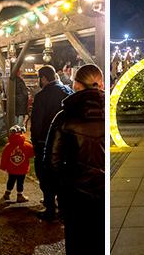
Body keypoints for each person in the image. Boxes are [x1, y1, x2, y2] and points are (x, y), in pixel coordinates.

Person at [45, 64, 105, 255]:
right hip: (104, 192)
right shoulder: (110, 112)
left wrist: (58, 192)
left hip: (75, 194)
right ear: (101, 83)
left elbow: (52, 160)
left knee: (77, 242)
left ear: (77, 85)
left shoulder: (64, 116)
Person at [31, 65, 72, 221]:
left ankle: (50, 209)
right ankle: (62, 209)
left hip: (46, 142)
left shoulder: (41, 96)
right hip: (66, 142)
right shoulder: (68, 92)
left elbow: (37, 123)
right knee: (62, 174)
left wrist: (35, 141)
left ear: (43, 78)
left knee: (46, 174)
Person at [0, 125, 34, 203]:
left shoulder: (8, 146)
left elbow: (4, 157)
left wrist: (3, 166)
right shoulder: (27, 145)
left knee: (10, 181)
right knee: (20, 183)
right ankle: (20, 196)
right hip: (22, 169)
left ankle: (7, 194)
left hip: (11, 169)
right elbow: (32, 154)